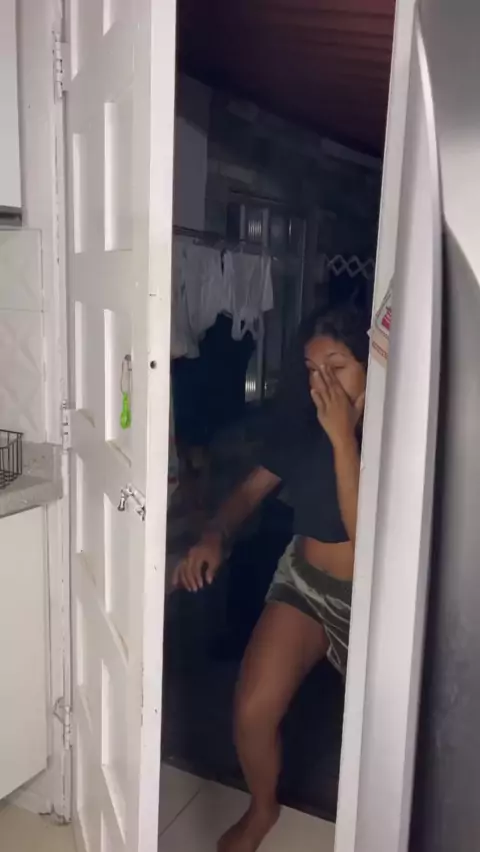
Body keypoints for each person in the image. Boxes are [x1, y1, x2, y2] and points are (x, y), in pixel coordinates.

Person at [173, 303, 369, 852]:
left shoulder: (400, 434)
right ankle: (263, 807)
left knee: (385, 745)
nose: (322, 383)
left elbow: (368, 535)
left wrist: (344, 439)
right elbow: (251, 490)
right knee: (252, 710)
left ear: (374, 366)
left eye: (338, 367)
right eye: (311, 369)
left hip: (372, 602)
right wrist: (216, 533)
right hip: (304, 582)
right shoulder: (304, 424)